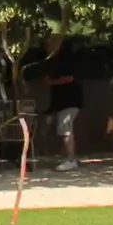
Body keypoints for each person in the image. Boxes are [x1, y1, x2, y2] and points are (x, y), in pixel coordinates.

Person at [43, 37, 83, 170]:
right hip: (67, 102)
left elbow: (68, 78)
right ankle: (68, 158)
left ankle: (71, 160)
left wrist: (51, 82)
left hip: (69, 102)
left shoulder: (66, 62)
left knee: (66, 131)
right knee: (65, 130)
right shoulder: (60, 61)